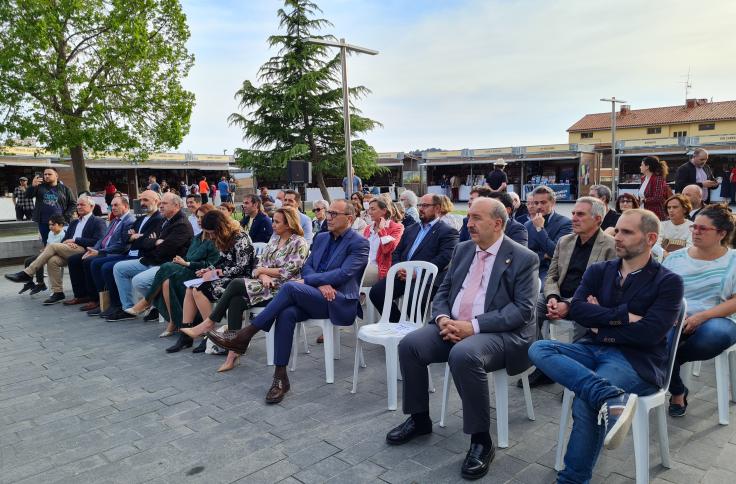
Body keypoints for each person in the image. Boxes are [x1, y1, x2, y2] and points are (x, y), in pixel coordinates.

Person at [385, 198, 539, 480]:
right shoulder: (464, 249)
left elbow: (522, 310)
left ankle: (482, 440)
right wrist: (443, 319)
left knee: (464, 355)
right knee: (410, 345)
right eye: (468, 217)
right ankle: (419, 419)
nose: (469, 223)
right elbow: (443, 290)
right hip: (453, 324)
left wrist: (473, 326)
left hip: (501, 334)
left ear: (497, 223)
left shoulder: (523, 257)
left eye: (476, 218)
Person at [528, 209, 684, 483]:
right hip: (592, 348)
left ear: (650, 238)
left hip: (636, 361)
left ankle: (572, 479)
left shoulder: (668, 282)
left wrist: (602, 321)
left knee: (586, 401)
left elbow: (650, 334)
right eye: (618, 230)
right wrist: (624, 316)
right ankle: (610, 397)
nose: (617, 237)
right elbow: (576, 310)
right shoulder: (599, 271)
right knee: (539, 348)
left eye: (626, 232)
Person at [207, 199, 369, 403]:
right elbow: (308, 266)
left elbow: (344, 274)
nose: (328, 217)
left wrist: (311, 281)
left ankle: (245, 334)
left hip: (339, 301)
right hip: (316, 295)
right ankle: (280, 378)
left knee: (291, 286)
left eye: (334, 214)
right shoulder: (322, 237)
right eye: (328, 213)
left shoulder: (359, 243)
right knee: (286, 313)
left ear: (350, 218)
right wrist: (317, 282)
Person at [178, 207, 309, 368]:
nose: (272, 224)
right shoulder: (274, 239)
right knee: (236, 300)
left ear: (289, 224)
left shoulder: (299, 242)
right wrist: (263, 274)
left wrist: (262, 271)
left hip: (283, 289)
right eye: (273, 220)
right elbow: (258, 264)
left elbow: (289, 271)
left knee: (236, 283)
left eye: (276, 221)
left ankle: (209, 323)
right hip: (263, 284)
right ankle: (233, 353)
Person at [525, 196, 616, 388]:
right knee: (528, 310)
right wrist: (552, 297)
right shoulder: (565, 241)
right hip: (557, 295)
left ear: (598, 219)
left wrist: (569, 304)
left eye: (581, 214)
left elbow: (602, 287)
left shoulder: (610, 245)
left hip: (586, 299)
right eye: (573, 213)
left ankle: (576, 376)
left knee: (589, 315)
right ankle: (545, 366)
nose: (574, 218)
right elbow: (551, 275)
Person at [662, 204, 736, 417]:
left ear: (721, 233)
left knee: (712, 337)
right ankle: (677, 391)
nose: (695, 232)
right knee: (659, 337)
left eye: (703, 229)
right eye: (694, 227)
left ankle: (669, 361)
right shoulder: (675, 259)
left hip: (718, 316)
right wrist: (675, 312)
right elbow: (661, 292)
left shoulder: (733, 260)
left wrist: (702, 316)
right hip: (678, 315)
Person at [127, 204, 219, 342]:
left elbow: (213, 264)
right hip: (188, 269)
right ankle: (173, 321)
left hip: (202, 273)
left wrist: (187, 263)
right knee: (166, 281)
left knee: (167, 267)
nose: (199, 220)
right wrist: (183, 261)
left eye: (202, 217)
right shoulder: (197, 237)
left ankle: (147, 301)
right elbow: (189, 257)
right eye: (197, 217)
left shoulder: (214, 239)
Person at [166, 210, 254, 351]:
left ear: (221, 227)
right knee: (191, 288)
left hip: (240, 280)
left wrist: (218, 272)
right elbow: (222, 260)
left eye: (212, 232)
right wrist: (209, 269)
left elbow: (242, 266)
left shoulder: (240, 237)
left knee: (200, 290)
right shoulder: (223, 237)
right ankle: (186, 335)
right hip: (227, 277)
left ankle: (209, 334)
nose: (211, 236)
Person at [369, 194, 459, 322]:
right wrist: (398, 267)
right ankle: (397, 324)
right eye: (419, 205)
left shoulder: (447, 231)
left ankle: (415, 333)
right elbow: (396, 252)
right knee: (377, 293)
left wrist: (417, 272)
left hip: (426, 278)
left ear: (438, 209)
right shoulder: (411, 229)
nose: (421, 208)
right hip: (403, 274)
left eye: (425, 205)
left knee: (412, 299)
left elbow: (444, 258)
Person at [5, 195, 106, 305]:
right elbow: (64, 239)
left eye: (82, 204)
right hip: (70, 250)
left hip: (86, 250)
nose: (79, 207)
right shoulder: (74, 222)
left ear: (92, 206)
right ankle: (57, 292)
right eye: (77, 205)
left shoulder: (97, 221)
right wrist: (67, 243)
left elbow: (98, 241)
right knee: (52, 260)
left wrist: (76, 240)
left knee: (52, 246)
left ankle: (27, 273)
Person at [108, 193, 193, 321]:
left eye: (164, 203)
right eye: (161, 203)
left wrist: (152, 243)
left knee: (139, 281)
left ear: (176, 205)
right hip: (151, 259)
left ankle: (157, 307)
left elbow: (165, 250)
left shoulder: (181, 224)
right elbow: (144, 241)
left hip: (167, 264)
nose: (161, 206)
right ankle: (128, 308)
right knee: (119, 268)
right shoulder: (165, 220)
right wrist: (155, 242)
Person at [88, 191, 164, 318]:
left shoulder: (158, 219)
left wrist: (136, 237)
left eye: (146, 200)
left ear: (156, 201)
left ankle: (120, 305)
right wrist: (134, 237)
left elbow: (147, 242)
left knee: (107, 267)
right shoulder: (140, 218)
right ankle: (118, 305)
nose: (142, 203)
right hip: (132, 253)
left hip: (145, 256)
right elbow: (125, 238)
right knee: (97, 263)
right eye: (141, 200)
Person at [70, 196, 137, 311]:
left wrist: (99, 252)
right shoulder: (115, 220)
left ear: (125, 206)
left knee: (92, 262)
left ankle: (98, 299)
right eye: (111, 205)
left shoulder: (129, 221)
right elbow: (102, 239)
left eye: (116, 205)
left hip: (114, 253)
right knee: (75, 259)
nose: (112, 208)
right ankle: (84, 295)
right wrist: (93, 250)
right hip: (103, 250)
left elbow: (122, 245)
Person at [524, 185, 573, 282]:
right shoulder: (528, 224)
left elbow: (554, 252)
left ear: (553, 203)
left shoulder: (565, 223)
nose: (539, 206)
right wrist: (544, 256)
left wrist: (539, 228)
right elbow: (524, 252)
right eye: (536, 203)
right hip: (528, 269)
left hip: (550, 271)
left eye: (543, 203)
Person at [25, 168, 76, 244]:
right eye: (45, 174)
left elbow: (73, 204)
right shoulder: (39, 187)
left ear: (56, 175)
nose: (47, 176)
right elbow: (28, 196)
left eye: (49, 174)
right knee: (46, 242)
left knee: (62, 243)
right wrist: (32, 186)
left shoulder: (65, 189)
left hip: (60, 222)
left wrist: (65, 216)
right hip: (43, 221)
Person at [18, 214, 66, 295]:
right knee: (28, 260)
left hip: (57, 255)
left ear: (61, 225)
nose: (50, 226)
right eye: (49, 224)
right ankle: (29, 282)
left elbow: (61, 249)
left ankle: (40, 284)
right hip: (48, 253)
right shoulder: (51, 233)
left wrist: (45, 252)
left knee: (40, 260)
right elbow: (48, 244)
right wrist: (44, 250)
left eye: (53, 224)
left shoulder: (63, 234)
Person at [361, 198, 404, 287]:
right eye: (369, 209)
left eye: (373, 209)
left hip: (381, 269)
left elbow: (388, 249)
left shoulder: (397, 227)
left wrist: (382, 230)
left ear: (384, 211)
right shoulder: (368, 228)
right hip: (365, 265)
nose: (369, 212)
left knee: (350, 276)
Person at [639, 155, 670, 221]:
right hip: (643, 212)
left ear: (647, 167)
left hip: (656, 214)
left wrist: (644, 200)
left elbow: (658, 198)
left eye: (642, 165)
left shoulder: (657, 179)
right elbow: (642, 195)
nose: (640, 167)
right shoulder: (643, 178)